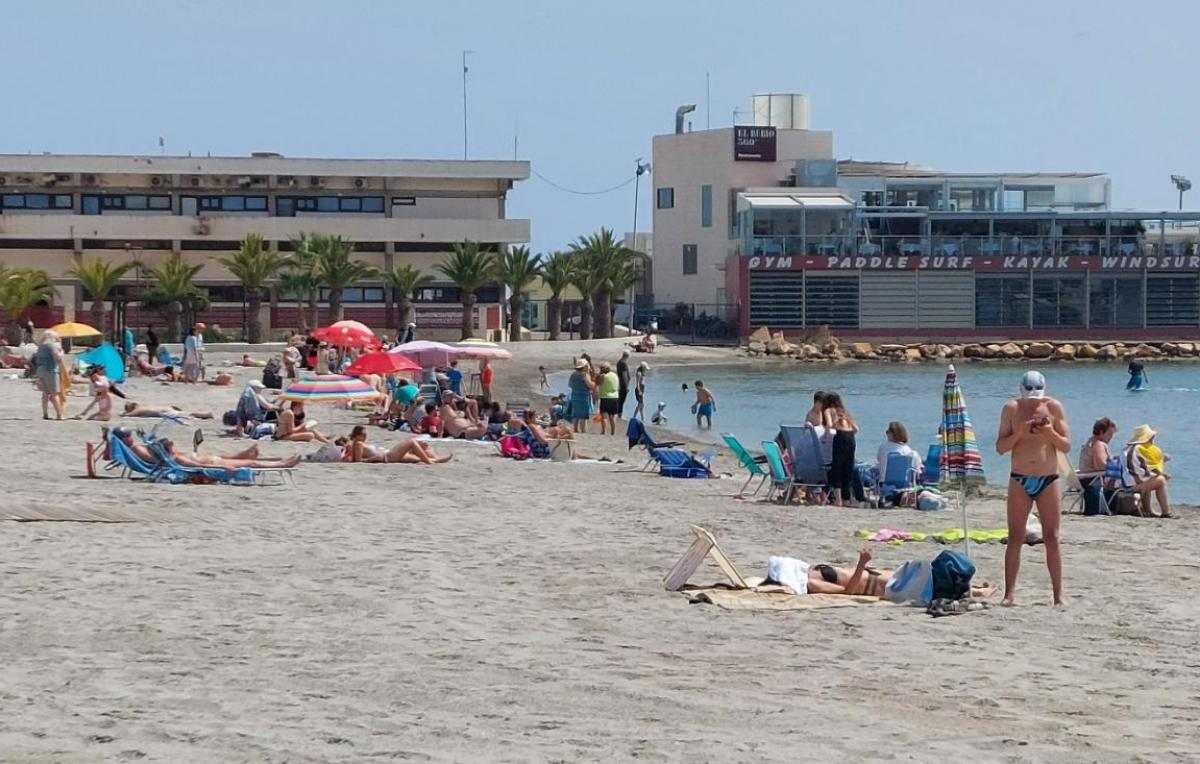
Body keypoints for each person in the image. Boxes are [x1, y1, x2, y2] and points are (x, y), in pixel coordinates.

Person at [996, 370, 1070, 606]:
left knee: (1052, 537)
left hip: (1048, 478)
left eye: (1036, 396)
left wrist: (1049, 432)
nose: (1033, 400)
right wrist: (1019, 432)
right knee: (1015, 536)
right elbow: (1000, 447)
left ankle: (1058, 595)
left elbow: (1066, 446)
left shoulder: (1053, 407)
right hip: (1020, 478)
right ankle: (1009, 594)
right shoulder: (1011, 408)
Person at [803, 548, 994, 600]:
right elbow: (847, 592)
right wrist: (862, 564)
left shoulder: (807, 571)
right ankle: (973, 592)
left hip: (896, 576)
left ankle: (973, 589)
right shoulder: (812, 583)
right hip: (893, 587)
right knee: (947, 560)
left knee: (942, 567)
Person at [112, 428, 299, 469]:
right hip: (200, 463)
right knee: (248, 462)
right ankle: (281, 464)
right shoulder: (173, 459)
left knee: (231, 457)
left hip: (197, 458)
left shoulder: (137, 448)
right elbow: (195, 467)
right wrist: (223, 468)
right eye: (127, 435)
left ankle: (278, 461)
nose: (131, 437)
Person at [1125, 424, 1172, 518]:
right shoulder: (1141, 449)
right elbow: (1146, 470)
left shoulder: (1129, 449)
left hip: (1125, 483)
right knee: (1161, 480)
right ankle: (1166, 512)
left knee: (1151, 479)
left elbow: (1143, 469)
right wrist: (1161, 473)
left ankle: (1148, 510)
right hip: (1130, 486)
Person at [825, 393, 863, 507]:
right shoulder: (845, 411)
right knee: (848, 467)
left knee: (837, 467)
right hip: (851, 437)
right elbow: (856, 429)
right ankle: (847, 499)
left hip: (840, 437)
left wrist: (834, 427)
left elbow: (830, 425)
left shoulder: (828, 410)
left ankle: (838, 500)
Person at [343, 425, 450, 464]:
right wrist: (371, 460)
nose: (365, 436)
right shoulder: (358, 444)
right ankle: (429, 462)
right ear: (357, 435)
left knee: (418, 455)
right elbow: (357, 461)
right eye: (363, 434)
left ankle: (436, 459)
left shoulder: (360, 443)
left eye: (366, 434)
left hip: (388, 454)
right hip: (387, 457)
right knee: (411, 442)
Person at [1078, 417, 1116, 516]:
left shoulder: (1089, 442)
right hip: (1093, 480)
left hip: (1084, 479)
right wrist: (1114, 465)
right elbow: (1100, 465)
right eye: (1109, 434)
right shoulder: (1099, 444)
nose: (1111, 438)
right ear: (1101, 432)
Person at [33, 330, 65, 420]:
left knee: (45, 393)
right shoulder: (52, 346)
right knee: (54, 394)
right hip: (50, 370)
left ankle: (45, 413)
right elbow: (58, 358)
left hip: (40, 370)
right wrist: (62, 352)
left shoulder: (41, 347)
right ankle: (59, 414)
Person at [567, 358, 596, 433]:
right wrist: (594, 384)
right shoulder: (585, 375)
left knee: (576, 414)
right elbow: (590, 385)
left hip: (575, 396)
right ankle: (583, 431)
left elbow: (570, 385)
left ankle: (575, 429)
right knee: (583, 416)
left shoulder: (573, 374)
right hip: (583, 397)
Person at [597, 362, 621, 435]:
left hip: (605, 397)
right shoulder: (615, 375)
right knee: (613, 415)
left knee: (604, 415)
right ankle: (613, 431)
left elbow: (597, 383)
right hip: (615, 397)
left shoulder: (603, 376)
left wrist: (599, 374)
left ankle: (604, 431)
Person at [123, 401, 215, 419]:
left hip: (164, 412)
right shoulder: (144, 406)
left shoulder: (138, 410)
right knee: (185, 413)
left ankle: (206, 414)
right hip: (166, 408)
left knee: (188, 414)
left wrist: (123, 414)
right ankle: (205, 414)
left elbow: (128, 415)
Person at [616, 350, 631, 417]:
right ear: (627, 356)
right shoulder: (623, 363)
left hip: (620, 383)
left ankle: (619, 414)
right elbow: (624, 375)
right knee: (621, 401)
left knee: (620, 400)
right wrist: (627, 386)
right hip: (623, 384)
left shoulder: (619, 362)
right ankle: (619, 415)